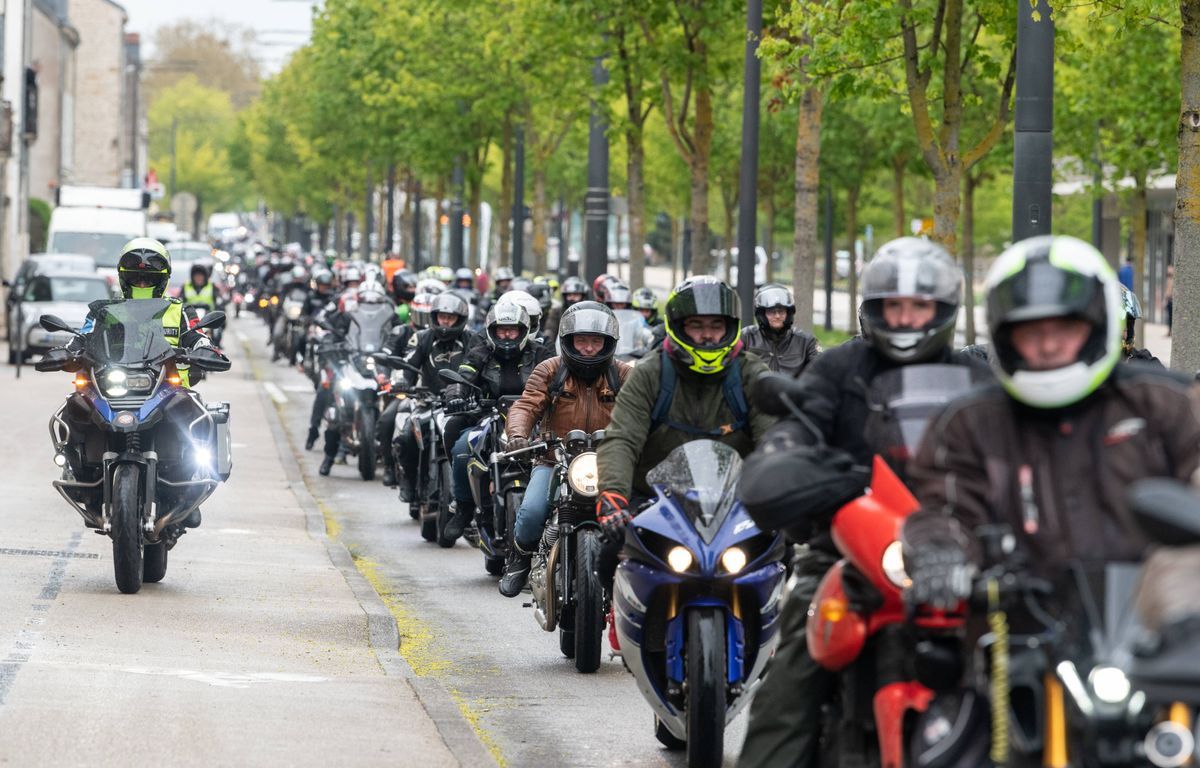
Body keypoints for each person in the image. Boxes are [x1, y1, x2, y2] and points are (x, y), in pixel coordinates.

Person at [737, 237, 987, 768]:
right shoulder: (840, 368)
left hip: (961, 553)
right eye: (892, 306)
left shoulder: (977, 378)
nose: (904, 318)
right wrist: (788, 465)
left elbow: (1015, 453)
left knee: (1038, 666)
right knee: (789, 687)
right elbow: (797, 429)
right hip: (849, 553)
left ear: (942, 311)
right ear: (872, 309)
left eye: (919, 307)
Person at [901, 233, 1200, 636]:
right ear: (1004, 335)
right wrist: (939, 552)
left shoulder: (1165, 405)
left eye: (1065, 326)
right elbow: (945, 507)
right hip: (1016, 638)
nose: (1048, 345)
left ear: (1097, 324)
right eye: (1030, 330)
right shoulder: (969, 423)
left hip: (1155, 633)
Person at [595, 276, 777, 558]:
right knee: (606, 558)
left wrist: (784, 492)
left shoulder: (753, 373)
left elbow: (775, 440)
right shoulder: (648, 373)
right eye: (696, 325)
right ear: (679, 326)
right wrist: (613, 497)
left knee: (783, 556)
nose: (707, 335)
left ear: (730, 327)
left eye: (716, 325)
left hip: (736, 505)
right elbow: (622, 439)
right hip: (654, 504)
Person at [68, 238, 229, 526]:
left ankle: (192, 482)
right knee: (75, 407)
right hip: (112, 386)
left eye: (148, 278)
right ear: (124, 278)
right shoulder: (103, 312)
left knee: (198, 416)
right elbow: (82, 336)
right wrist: (68, 350)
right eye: (136, 277)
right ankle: (79, 471)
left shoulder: (179, 311)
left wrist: (205, 348)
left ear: (162, 281)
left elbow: (197, 335)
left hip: (166, 386)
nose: (142, 282)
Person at [498, 302, 633, 596]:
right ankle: (519, 560)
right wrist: (518, 434)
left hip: (608, 463)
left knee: (639, 514)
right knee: (532, 512)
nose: (587, 348)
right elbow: (526, 405)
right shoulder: (550, 369)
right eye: (581, 340)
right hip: (554, 459)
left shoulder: (622, 374)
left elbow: (642, 413)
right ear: (568, 341)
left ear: (608, 342)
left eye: (595, 341)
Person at [442, 302, 554, 542]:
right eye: (501, 330)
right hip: (489, 416)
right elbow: (463, 376)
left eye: (512, 330)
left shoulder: (540, 354)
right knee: (462, 446)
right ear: (491, 331)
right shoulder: (480, 352)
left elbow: (557, 379)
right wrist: (456, 396)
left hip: (532, 419)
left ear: (523, 331)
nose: (506, 335)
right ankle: (463, 507)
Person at [385, 291, 475, 487]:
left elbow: (478, 367)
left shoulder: (471, 339)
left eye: (450, 318)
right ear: (434, 317)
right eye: (442, 317)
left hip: (461, 405)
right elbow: (407, 364)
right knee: (406, 437)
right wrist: (401, 381)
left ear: (459, 319)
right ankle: (408, 483)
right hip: (426, 401)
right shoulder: (422, 338)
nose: (445, 322)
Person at [740, 283, 820, 377]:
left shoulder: (806, 342)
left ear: (788, 313)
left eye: (781, 311)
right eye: (771, 311)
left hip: (791, 391)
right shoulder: (747, 337)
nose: (777, 316)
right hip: (756, 390)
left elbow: (821, 373)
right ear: (762, 314)